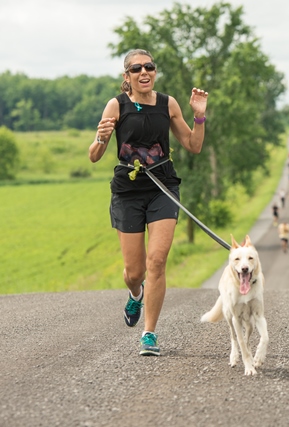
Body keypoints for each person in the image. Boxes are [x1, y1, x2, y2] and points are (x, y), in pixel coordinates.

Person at [88, 48, 209, 356]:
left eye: (149, 67)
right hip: (128, 190)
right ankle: (135, 293)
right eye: (137, 68)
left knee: (157, 260)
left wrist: (199, 116)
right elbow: (94, 156)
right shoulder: (117, 105)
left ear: (155, 72)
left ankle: (150, 334)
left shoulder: (168, 104)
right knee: (134, 272)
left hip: (162, 186)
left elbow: (193, 146)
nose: (144, 72)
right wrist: (102, 137)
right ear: (126, 77)